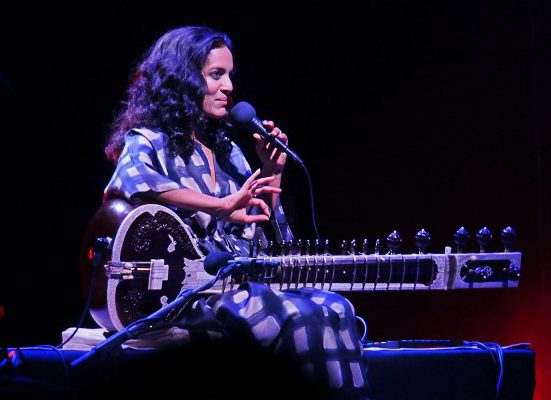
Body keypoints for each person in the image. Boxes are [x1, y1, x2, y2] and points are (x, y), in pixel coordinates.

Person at [102, 25, 370, 399]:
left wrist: (272, 172)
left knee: (337, 307)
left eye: (230, 75)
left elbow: (265, 239)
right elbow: (129, 183)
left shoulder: (229, 151)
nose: (229, 86)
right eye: (216, 75)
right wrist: (222, 205)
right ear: (182, 81)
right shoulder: (148, 141)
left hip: (239, 285)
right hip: (187, 293)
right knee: (299, 317)